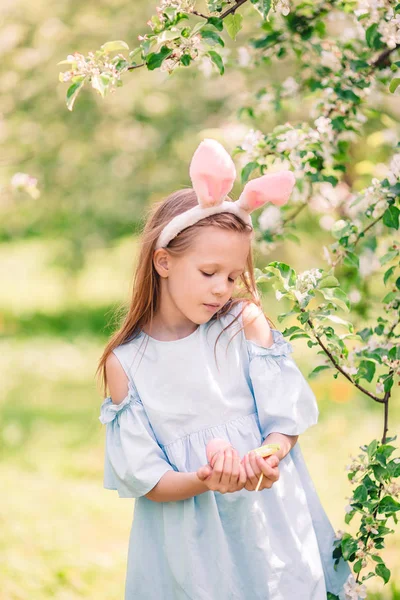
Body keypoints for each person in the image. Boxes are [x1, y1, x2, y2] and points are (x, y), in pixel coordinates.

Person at [97, 139, 351, 599]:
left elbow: (283, 422)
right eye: (209, 271)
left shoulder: (243, 325)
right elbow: (147, 478)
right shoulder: (127, 364)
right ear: (164, 261)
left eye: (233, 276)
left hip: (268, 519)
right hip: (192, 547)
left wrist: (267, 456)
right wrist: (204, 480)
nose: (222, 289)